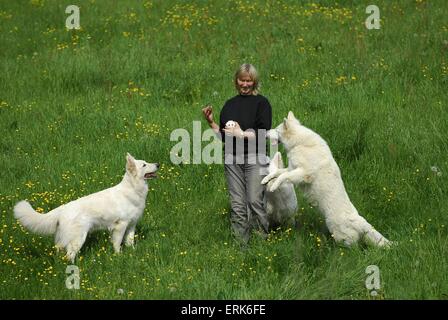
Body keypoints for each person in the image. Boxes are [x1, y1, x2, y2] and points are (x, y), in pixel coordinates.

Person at [202, 63, 272, 245]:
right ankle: (241, 246)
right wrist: (211, 123)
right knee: (237, 204)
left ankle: (261, 244)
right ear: (236, 81)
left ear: (254, 82)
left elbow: (263, 132)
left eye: (249, 81)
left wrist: (242, 134)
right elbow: (225, 136)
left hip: (255, 157)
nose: (245, 84)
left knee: (255, 201)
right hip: (232, 158)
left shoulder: (262, 103)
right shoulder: (229, 105)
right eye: (242, 80)